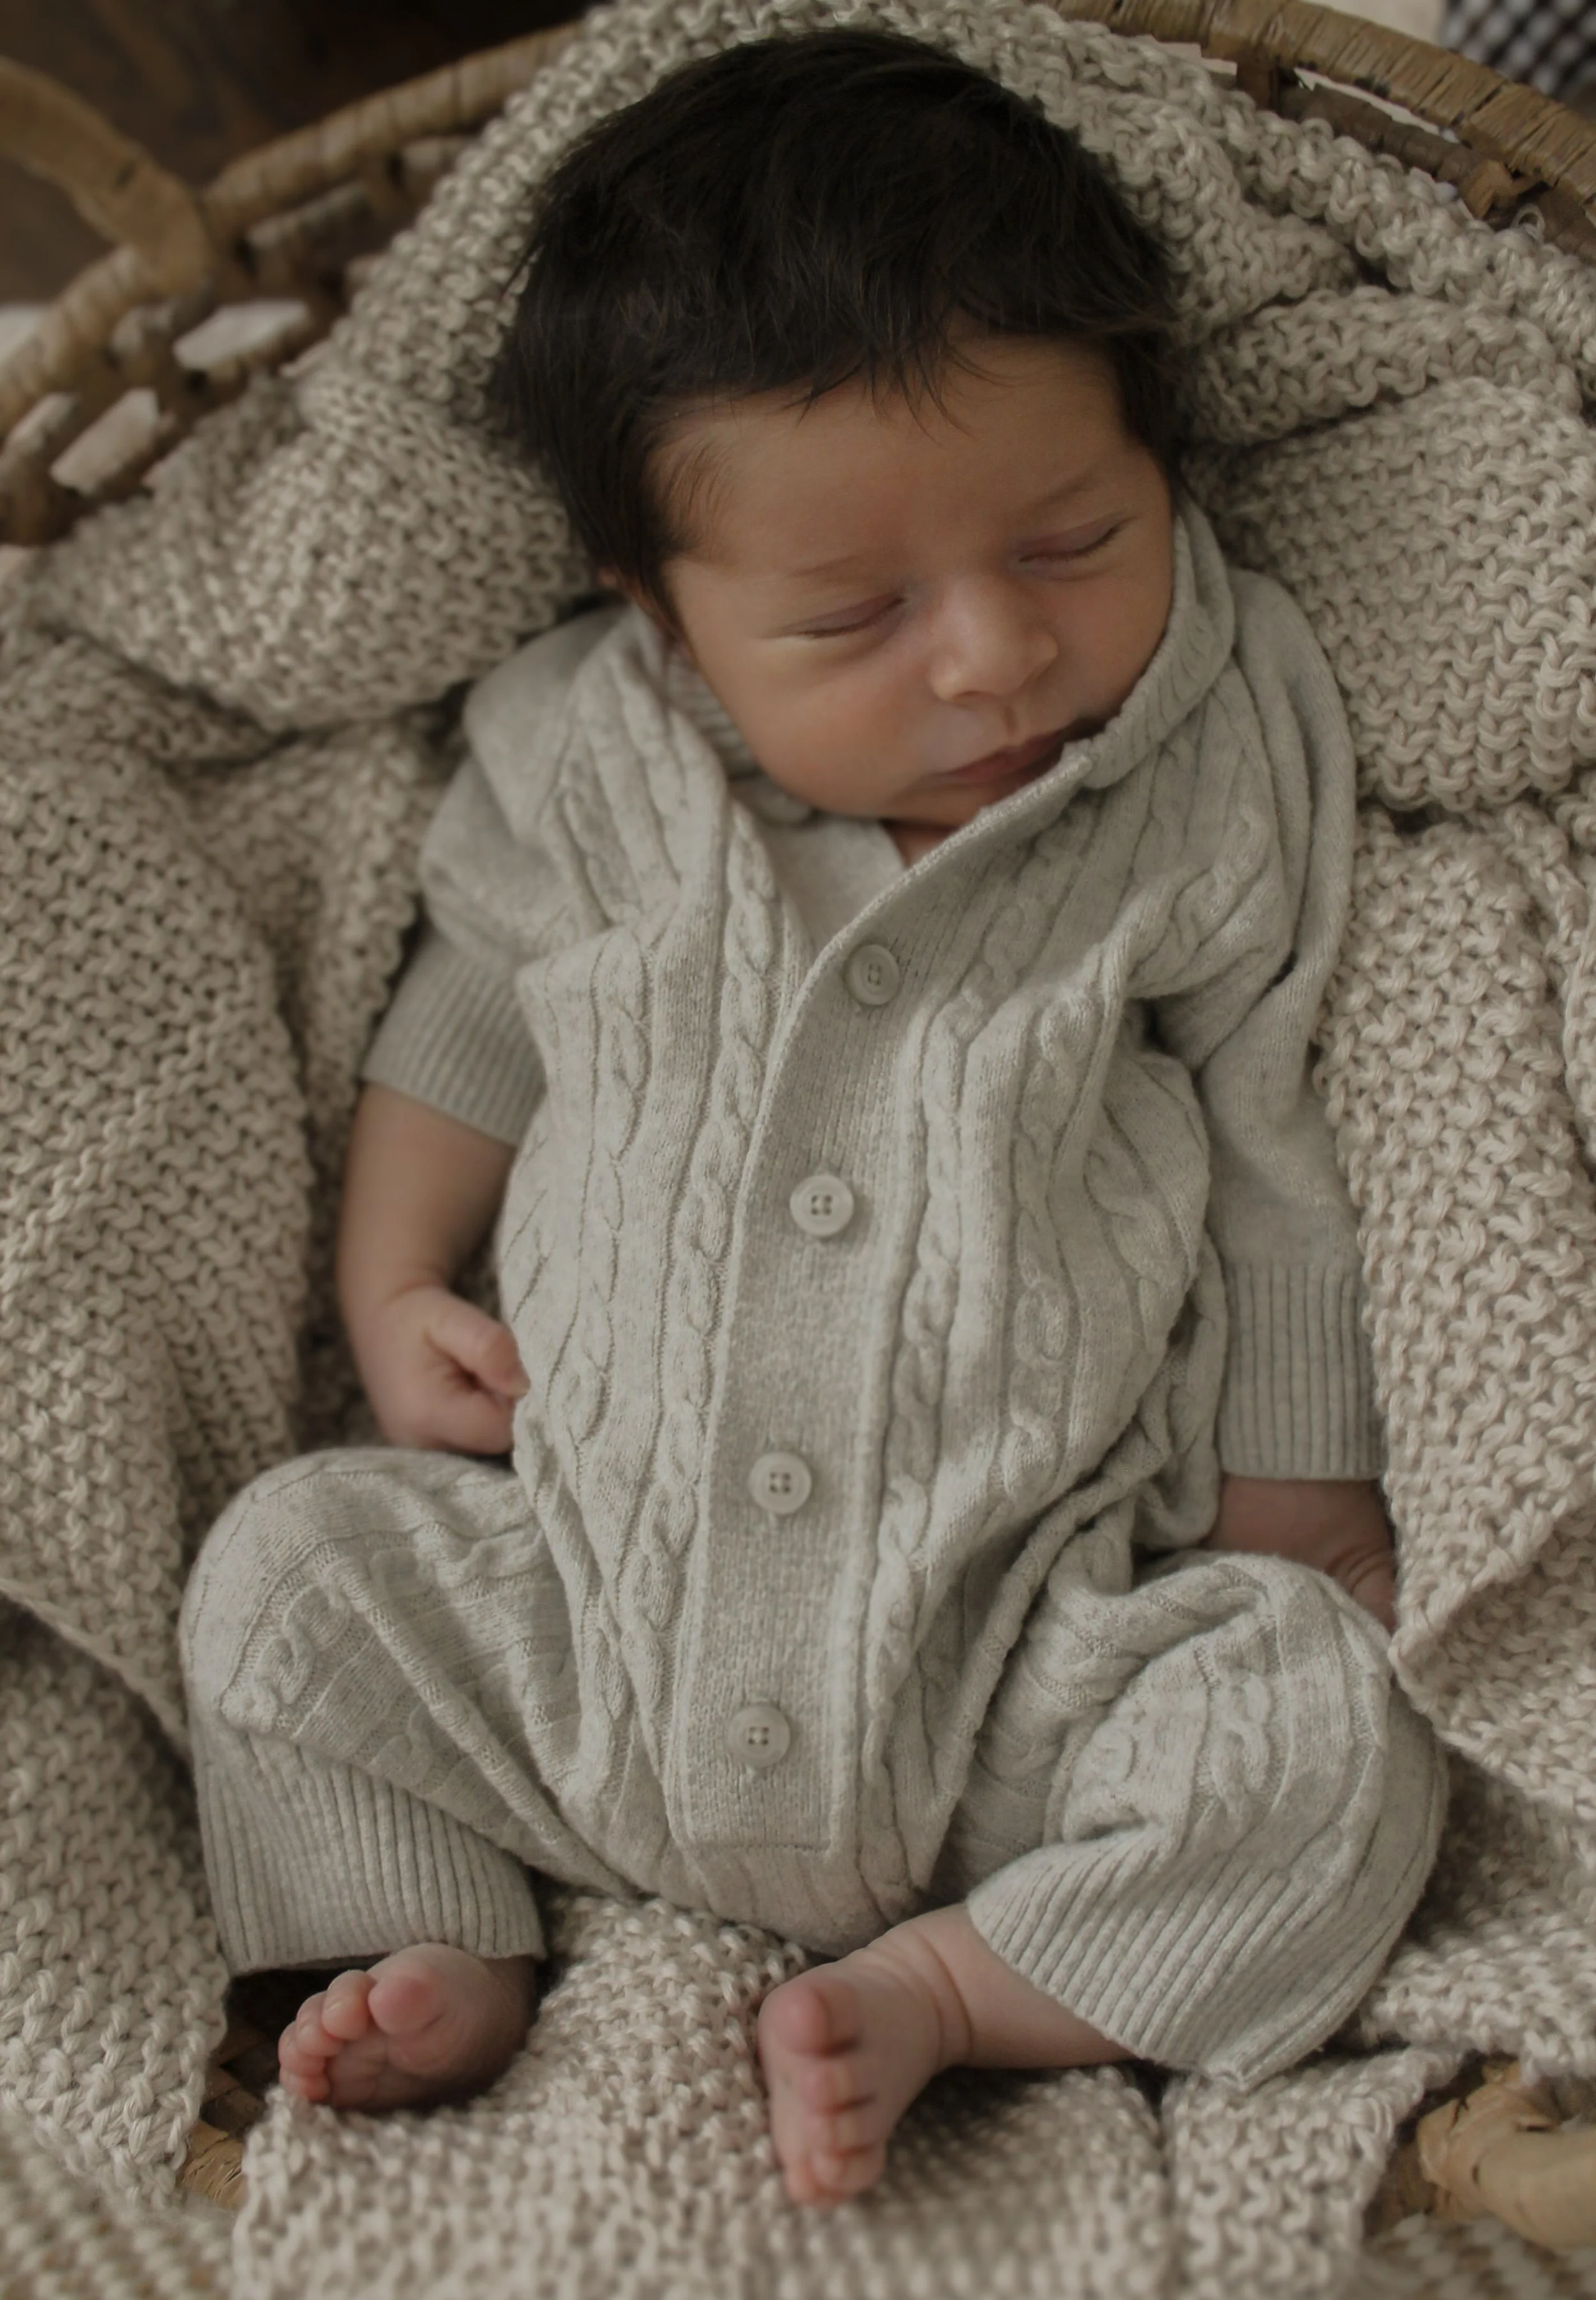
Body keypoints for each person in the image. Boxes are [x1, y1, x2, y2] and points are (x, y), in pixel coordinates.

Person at [179, 28, 1445, 2211]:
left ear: (1166, 468)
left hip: (1017, 1656)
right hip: (579, 1623)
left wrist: (1295, 1496)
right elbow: (466, 1008)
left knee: (1324, 1727)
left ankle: (971, 1987)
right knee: (285, 1572)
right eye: (851, 617)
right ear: (654, 612)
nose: (991, 662)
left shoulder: (1210, 744)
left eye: (1075, 541)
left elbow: (1271, 1131)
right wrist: (391, 1281)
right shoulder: (591, 751)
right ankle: (443, 1931)